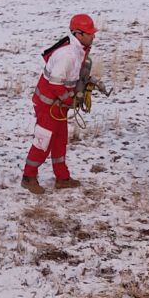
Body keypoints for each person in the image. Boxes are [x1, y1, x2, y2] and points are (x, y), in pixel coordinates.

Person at [22, 14, 97, 194]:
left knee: (60, 140)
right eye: (90, 33)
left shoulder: (78, 50)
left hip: (58, 106)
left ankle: (62, 178)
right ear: (78, 34)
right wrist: (69, 99)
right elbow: (55, 83)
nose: (93, 36)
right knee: (43, 142)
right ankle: (28, 177)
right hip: (48, 106)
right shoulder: (68, 55)